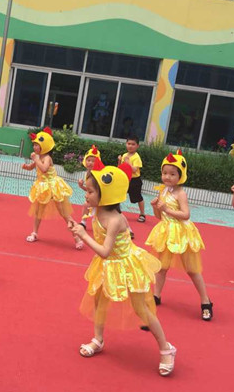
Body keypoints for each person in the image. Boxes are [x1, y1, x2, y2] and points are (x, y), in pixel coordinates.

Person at [70, 158, 176, 376]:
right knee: (99, 301)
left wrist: (82, 235)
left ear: (107, 195)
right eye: (87, 190)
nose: (86, 195)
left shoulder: (115, 220)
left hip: (126, 266)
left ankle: (167, 349)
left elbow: (105, 251)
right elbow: (105, 254)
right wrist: (78, 227)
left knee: (141, 309)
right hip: (107, 266)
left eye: (90, 191)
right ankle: (98, 339)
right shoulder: (97, 209)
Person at [145, 151, 213, 321]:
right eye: (164, 173)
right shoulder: (163, 191)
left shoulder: (180, 193)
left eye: (172, 174)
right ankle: (156, 295)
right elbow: (159, 216)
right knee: (161, 267)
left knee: (192, 270)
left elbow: (185, 214)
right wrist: (155, 207)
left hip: (182, 233)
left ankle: (205, 301)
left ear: (180, 175)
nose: (167, 177)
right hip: (166, 232)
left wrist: (166, 209)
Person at [22, 127, 76, 247]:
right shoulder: (39, 157)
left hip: (53, 187)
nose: (34, 147)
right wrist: (27, 167)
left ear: (45, 146)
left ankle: (77, 236)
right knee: (38, 211)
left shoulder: (47, 158)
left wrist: (36, 159)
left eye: (37, 145)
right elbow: (33, 166)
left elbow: (44, 169)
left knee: (63, 212)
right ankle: (34, 232)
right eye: (34, 145)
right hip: (43, 188)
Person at [117, 135, 146, 223]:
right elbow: (120, 167)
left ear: (137, 146)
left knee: (138, 197)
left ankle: (142, 214)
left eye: (133, 144)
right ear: (126, 144)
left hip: (135, 180)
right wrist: (119, 160)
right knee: (118, 195)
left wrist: (128, 162)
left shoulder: (136, 157)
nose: (130, 146)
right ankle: (116, 211)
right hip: (125, 179)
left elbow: (134, 170)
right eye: (129, 143)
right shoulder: (125, 155)